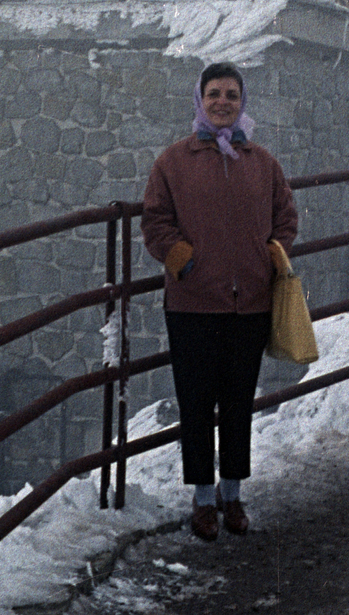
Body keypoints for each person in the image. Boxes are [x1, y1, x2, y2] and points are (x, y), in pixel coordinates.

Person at [141, 60, 297, 542]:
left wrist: (270, 258)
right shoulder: (173, 161)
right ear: (200, 100)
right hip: (192, 305)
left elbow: (285, 219)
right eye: (214, 94)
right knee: (195, 406)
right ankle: (203, 500)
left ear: (241, 102)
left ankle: (232, 494)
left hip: (248, 303)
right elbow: (155, 224)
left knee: (236, 405)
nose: (223, 102)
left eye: (231, 94)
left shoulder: (263, 163)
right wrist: (184, 262)